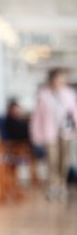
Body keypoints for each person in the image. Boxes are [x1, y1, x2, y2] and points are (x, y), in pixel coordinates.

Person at [31, 68, 77, 200]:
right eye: (57, 79)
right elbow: (37, 117)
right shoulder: (44, 95)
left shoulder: (70, 94)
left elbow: (75, 113)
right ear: (52, 80)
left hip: (66, 132)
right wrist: (36, 134)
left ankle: (62, 185)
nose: (59, 82)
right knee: (52, 160)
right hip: (49, 133)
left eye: (62, 79)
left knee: (64, 160)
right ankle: (53, 186)